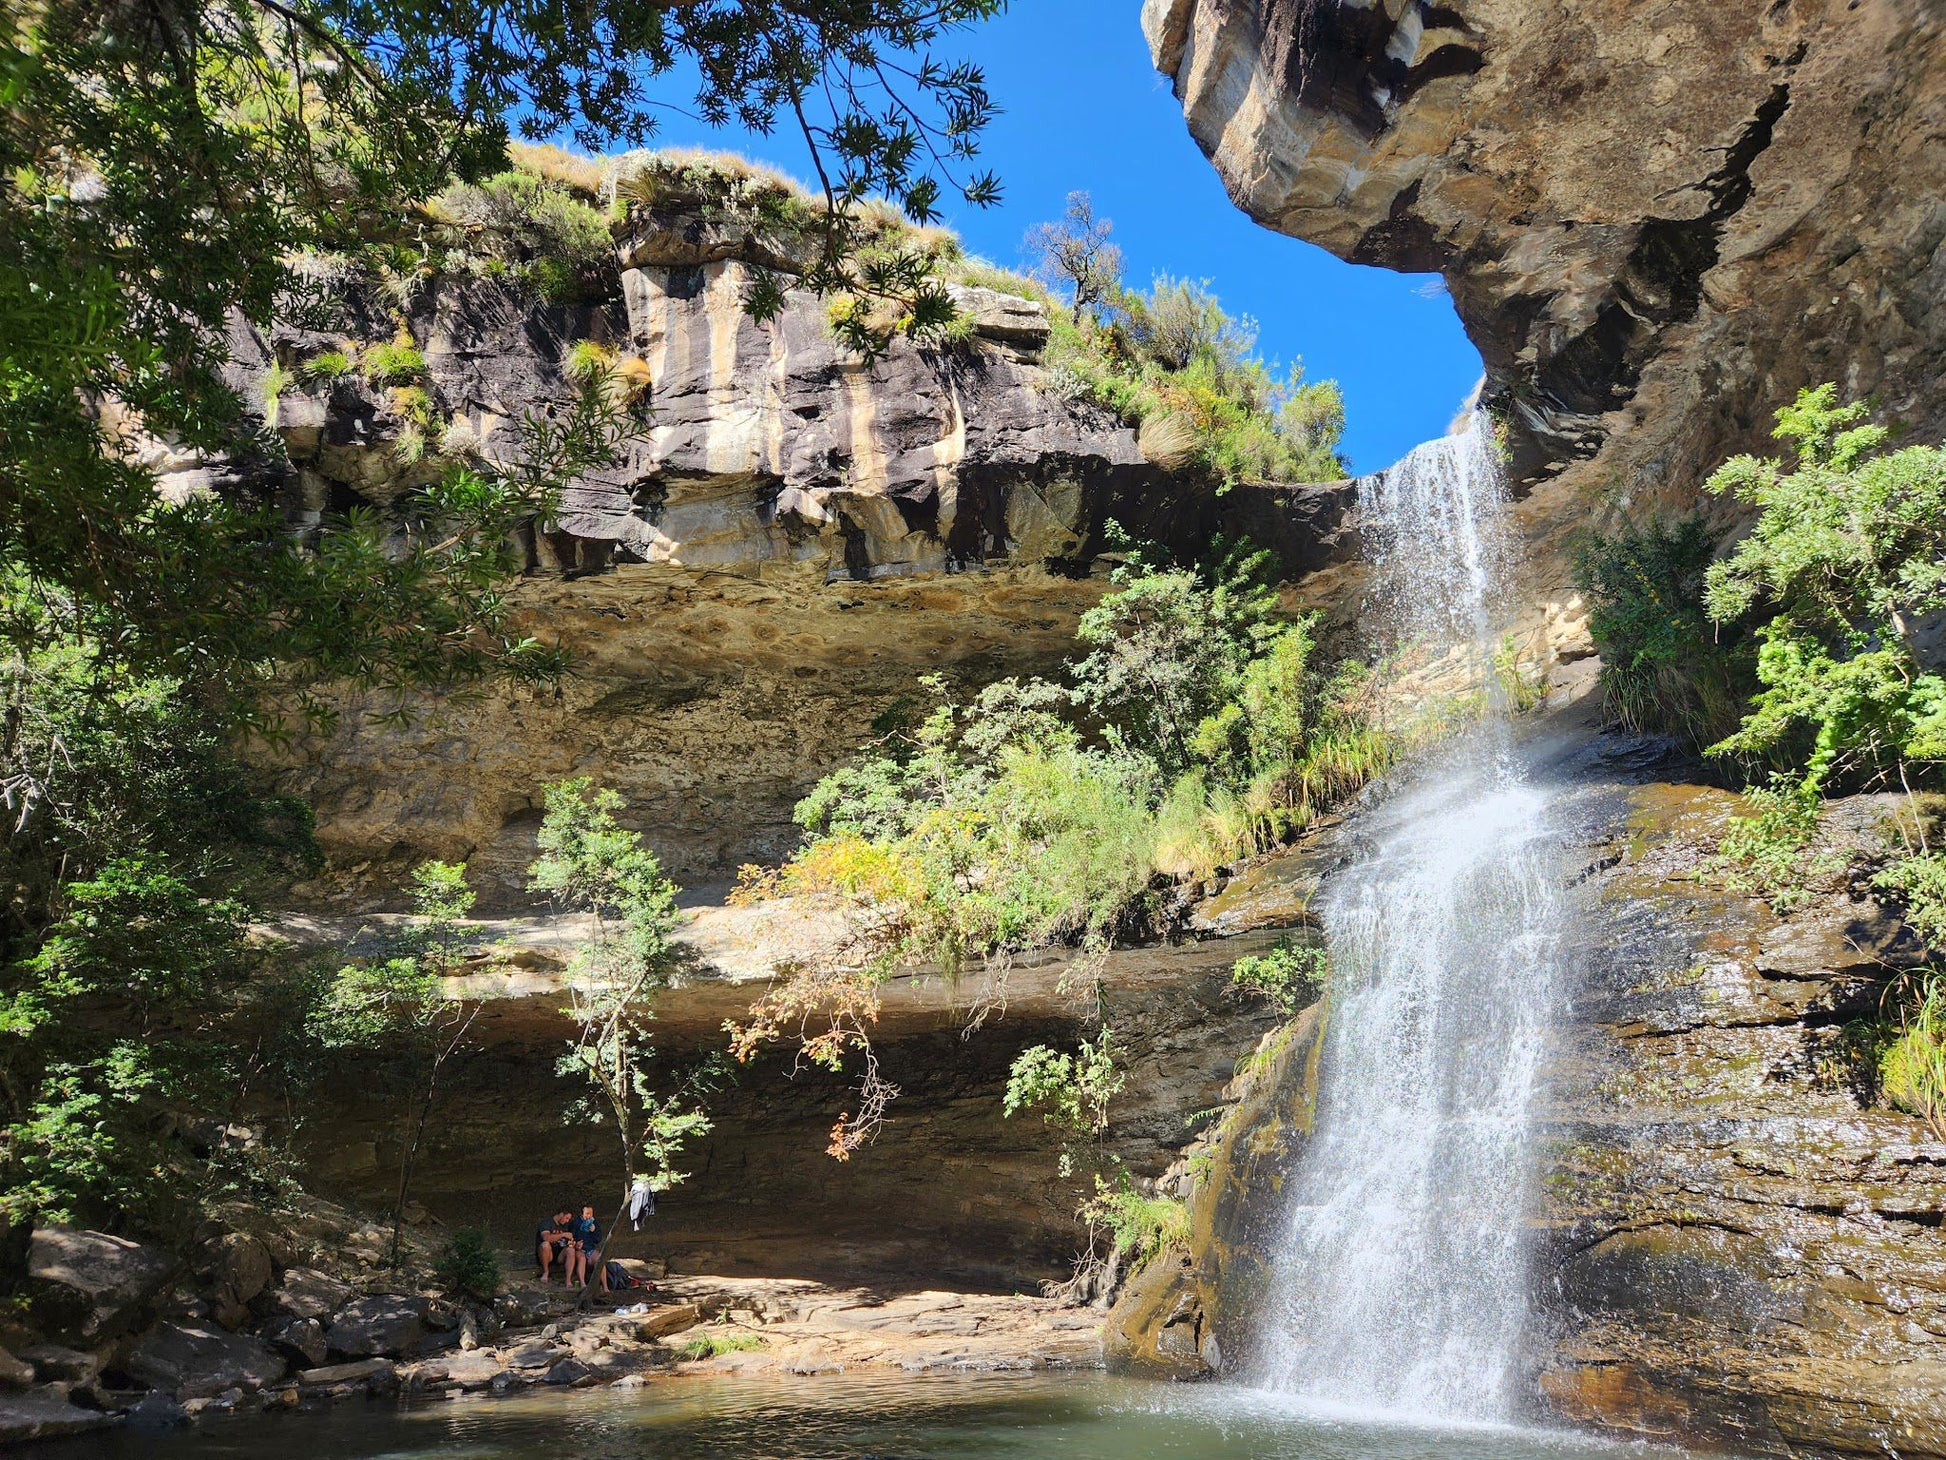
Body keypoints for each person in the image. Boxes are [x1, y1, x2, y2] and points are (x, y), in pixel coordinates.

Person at [534, 1207, 575, 1283]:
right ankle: (546, 1272)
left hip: (560, 1254)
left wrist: (574, 1243)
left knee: (571, 1250)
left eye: (569, 1219)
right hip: (547, 1254)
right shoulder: (546, 1223)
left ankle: (568, 1279)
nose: (567, 1221)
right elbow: (546, 1238)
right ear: (561, 1214)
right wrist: (562, 1235)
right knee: (545, 1245)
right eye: (566, 1218)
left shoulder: (567, 1225)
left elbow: (571, 1241)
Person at [569, 1203, 602, 1288]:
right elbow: (570, 1238)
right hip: (578, 1249)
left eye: (591, 1213)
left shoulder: (594, 1223)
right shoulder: (575, 1223)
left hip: (590, 1249)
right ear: (582, 1213)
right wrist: (576, 1244)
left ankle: (605, 1286)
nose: (589, 1216)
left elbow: (597, 1240)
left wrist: (594, 1231)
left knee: (599, 1259)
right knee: (582, 1258)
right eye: (587, 1213)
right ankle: (583, 1283)